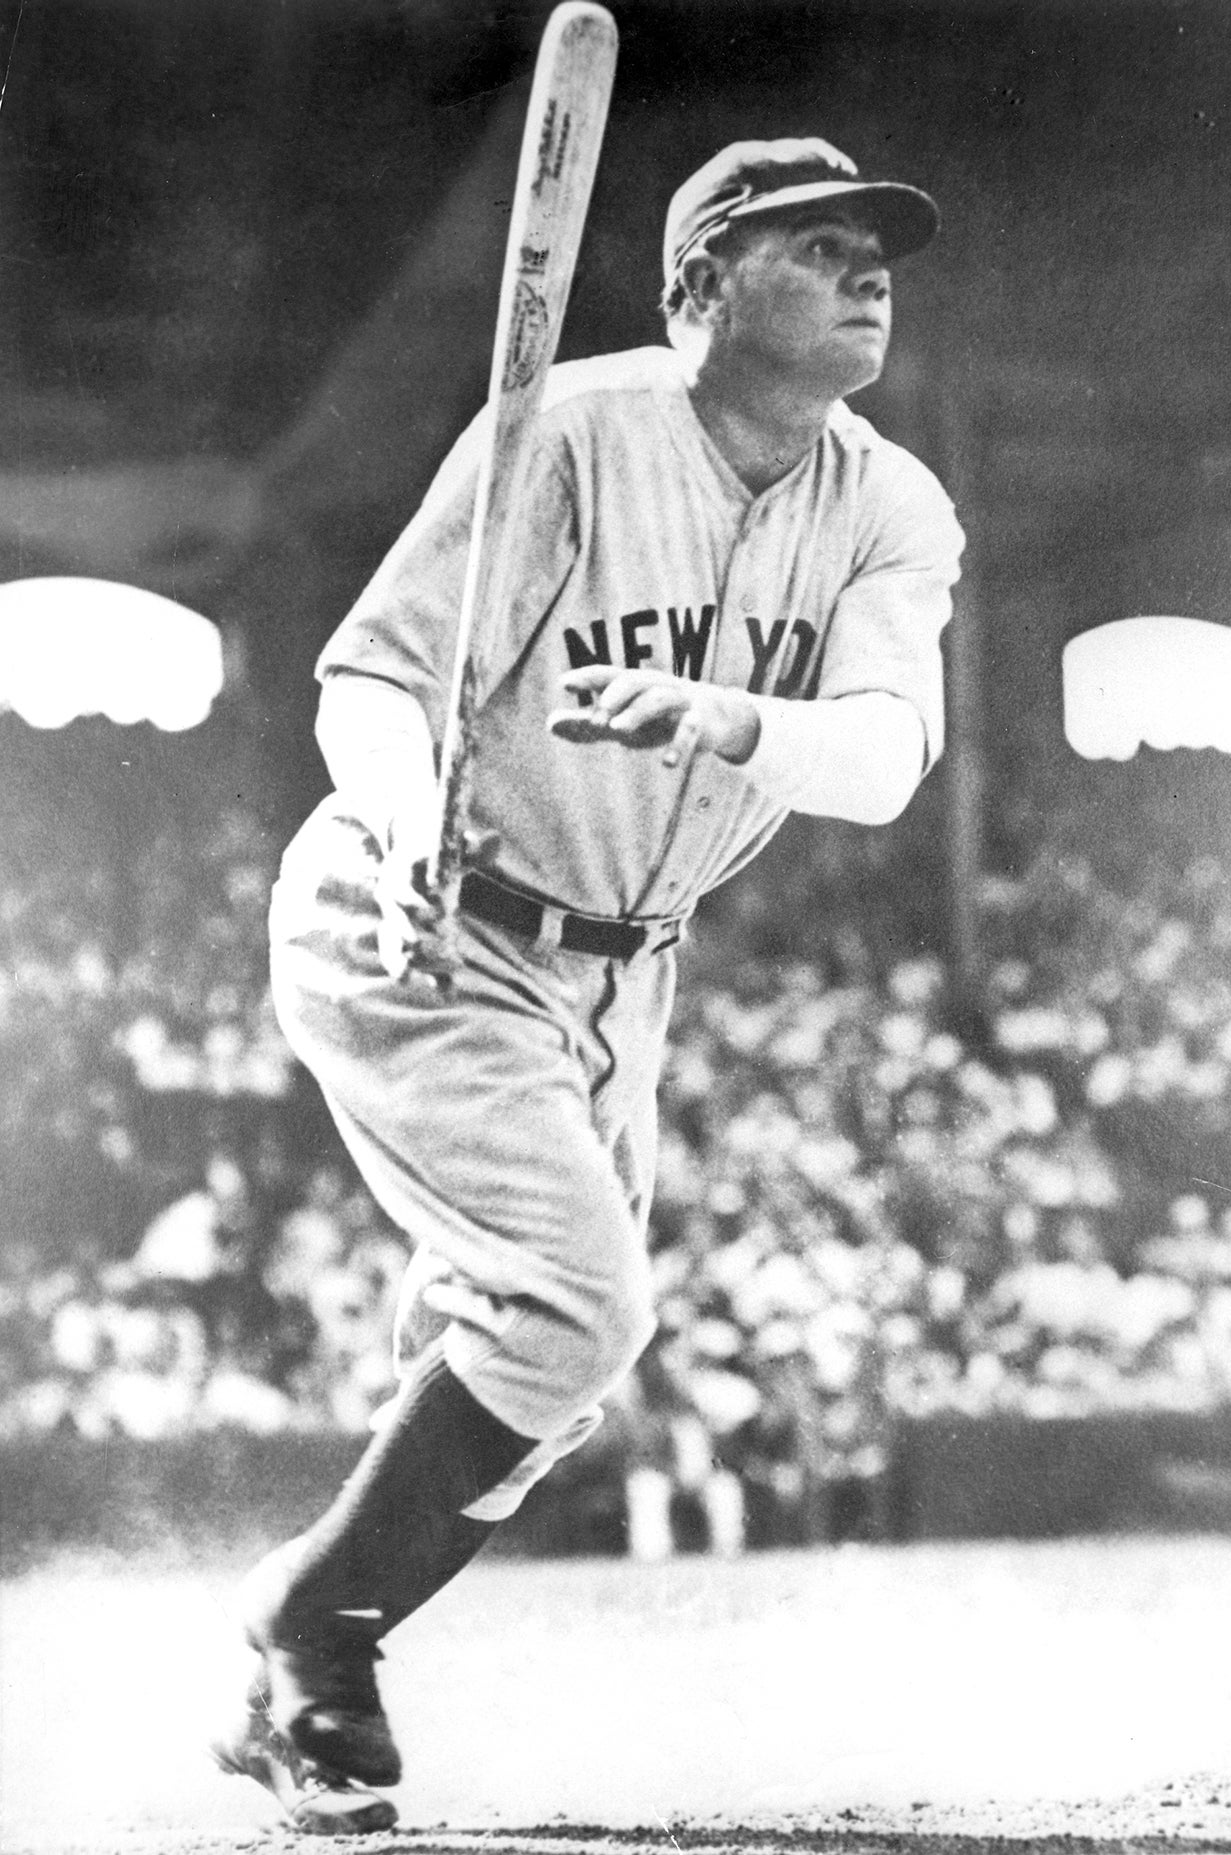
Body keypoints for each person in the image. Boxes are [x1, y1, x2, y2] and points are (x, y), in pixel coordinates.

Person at [210, 136, 964, 1835]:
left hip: (623, 973)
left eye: (876, 250)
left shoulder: (891, 502)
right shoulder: (567, 432)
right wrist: (403, 813)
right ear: (695, 287)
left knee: (546, 1379)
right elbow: (372, 681)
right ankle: (311, 1630)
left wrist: (725, 717)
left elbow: (886, 759)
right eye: (814, 246)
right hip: (426, 914)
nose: (868, 275)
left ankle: (283, 1674)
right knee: (574, 1309)